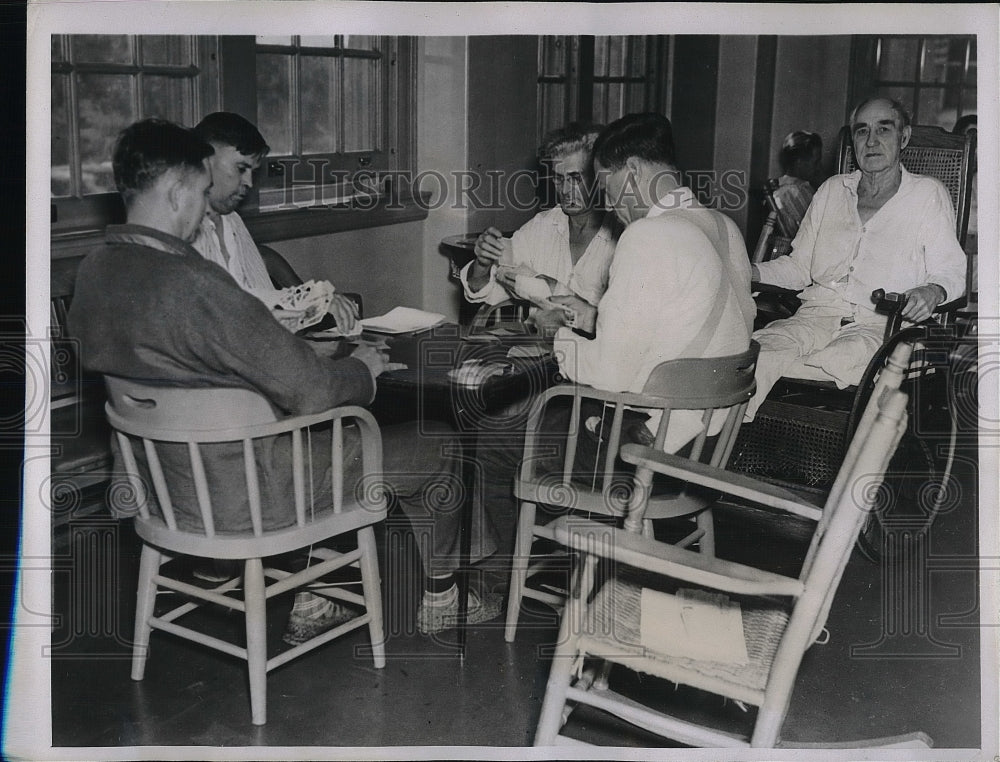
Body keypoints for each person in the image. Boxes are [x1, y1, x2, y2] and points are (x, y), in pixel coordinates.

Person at [67, 119, 502, 640]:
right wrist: (363, 368)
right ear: (179, 191)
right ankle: (442, 599)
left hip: (160, 488)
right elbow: (313, 390)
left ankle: (313, 592)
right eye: (205, 194)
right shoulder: (200, 285)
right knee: (439, 447)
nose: (208, 209)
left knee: (316, 430)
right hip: (248, 494)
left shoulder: (93, 272)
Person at [475, 112, 754, 568]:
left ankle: (497, 583)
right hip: (708, 447)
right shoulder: (723, 226)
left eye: (604, 186)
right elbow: (696, 328)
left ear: (636, 173)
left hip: (645, 451)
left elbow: (607, 374)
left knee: (491, 432)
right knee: (552, 425)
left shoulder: (647, 234)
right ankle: (579, 551)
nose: (607, 205)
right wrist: (590, 315)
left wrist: (557, 333)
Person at [746, 97, 968, 419]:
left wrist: (932, 291)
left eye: (884, 129)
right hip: (814, 317)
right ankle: (722, 453)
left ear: (903, 137)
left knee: (834, 360)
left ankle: (810, 451)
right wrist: (748, 271)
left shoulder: (927, 195)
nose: (872, 141)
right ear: (853, 140)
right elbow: (798, 267)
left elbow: (951, 270)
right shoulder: (832, 191)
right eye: (862, 131)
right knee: (756, 355)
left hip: (881, 327)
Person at [191, 111, 358, 333]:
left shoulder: (231, 220)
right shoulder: (186, 228)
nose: (249, 182)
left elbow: (255, 292)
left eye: (253, 171)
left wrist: (317, 299)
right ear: (204, 162)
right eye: (241, 169)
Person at [458, 123, 621, 335]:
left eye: (575, 178)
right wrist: (482, 264)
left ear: (597, 177)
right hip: (541, 358)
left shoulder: (623, 234)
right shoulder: (542, 227)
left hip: (597, 360)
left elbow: (625, 330)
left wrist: (556, 289)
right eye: (558, 178)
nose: (564, 190)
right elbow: (483, 290)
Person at [771, 130, 824, 238]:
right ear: (799, 162)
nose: (819, 167)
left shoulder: (780, 186)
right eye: (816, 162)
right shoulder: (797, 191)